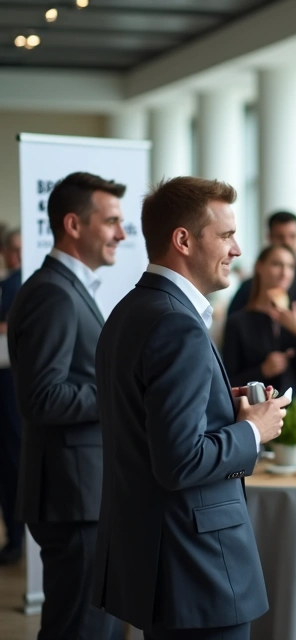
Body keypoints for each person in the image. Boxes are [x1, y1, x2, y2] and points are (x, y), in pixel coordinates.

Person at [94, 177, 289, 639]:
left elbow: (151, 429)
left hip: (160, 560)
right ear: (183, 240)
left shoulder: (131, 311)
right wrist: (253, 432)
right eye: (225, 235)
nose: (238, 250)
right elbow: (179, 460)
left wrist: (225, 406)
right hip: (196, 568)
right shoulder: (174, 323)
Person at [6, 172, 127, 639]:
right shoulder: (53, 293)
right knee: (81, 629)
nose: (121, 233)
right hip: (73, 499)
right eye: (112, 221)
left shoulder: (65, 288)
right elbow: (41, 397)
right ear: (73, 225)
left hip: (82, 494)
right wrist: (123, 392)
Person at [223, 244, 296, 400]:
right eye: (277, 264)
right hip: (257, 414)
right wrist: (262, 371)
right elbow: (227, 383)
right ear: (259, 267)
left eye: (290, 266)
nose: (285, 273)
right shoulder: (237, 323)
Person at [228, 211, 296, 311]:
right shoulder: (250, 287)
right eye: (280, 237)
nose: (287, 242)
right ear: (269, 238)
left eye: (292, 236)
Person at [0, 228, 22, 565]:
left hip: (14, 385)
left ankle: (18, 539)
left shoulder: (20, 285)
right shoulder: (7, 285)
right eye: (13, 250)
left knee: (14, 460)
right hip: (5, 383)